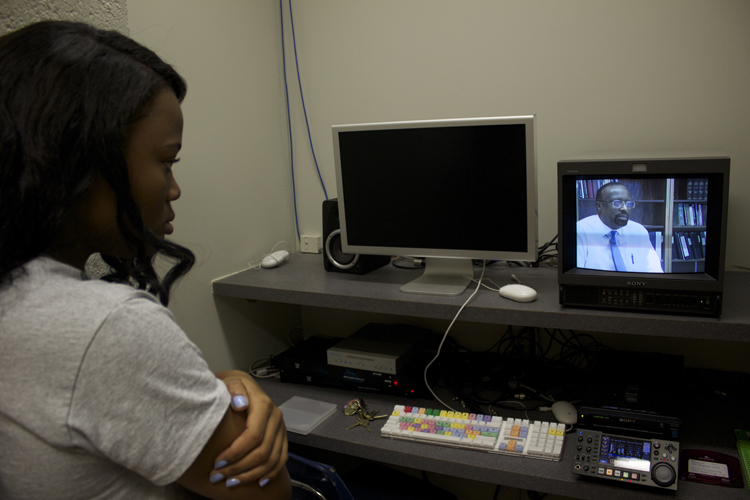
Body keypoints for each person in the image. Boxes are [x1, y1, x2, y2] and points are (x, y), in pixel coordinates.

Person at [0, 21, 291, 500]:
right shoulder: (106, 328)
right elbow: (268, 493)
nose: (174, 189)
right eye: (167, 161)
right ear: (80, 163)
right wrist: (246, 406)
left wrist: (228, 382)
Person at [577, 182, 663, 273]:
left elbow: (654, 271)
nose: (625, 208)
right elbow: (576, 277)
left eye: (628, 203)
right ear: (599, 206)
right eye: (617, 203)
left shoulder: (639, 231)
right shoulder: (580, 232)